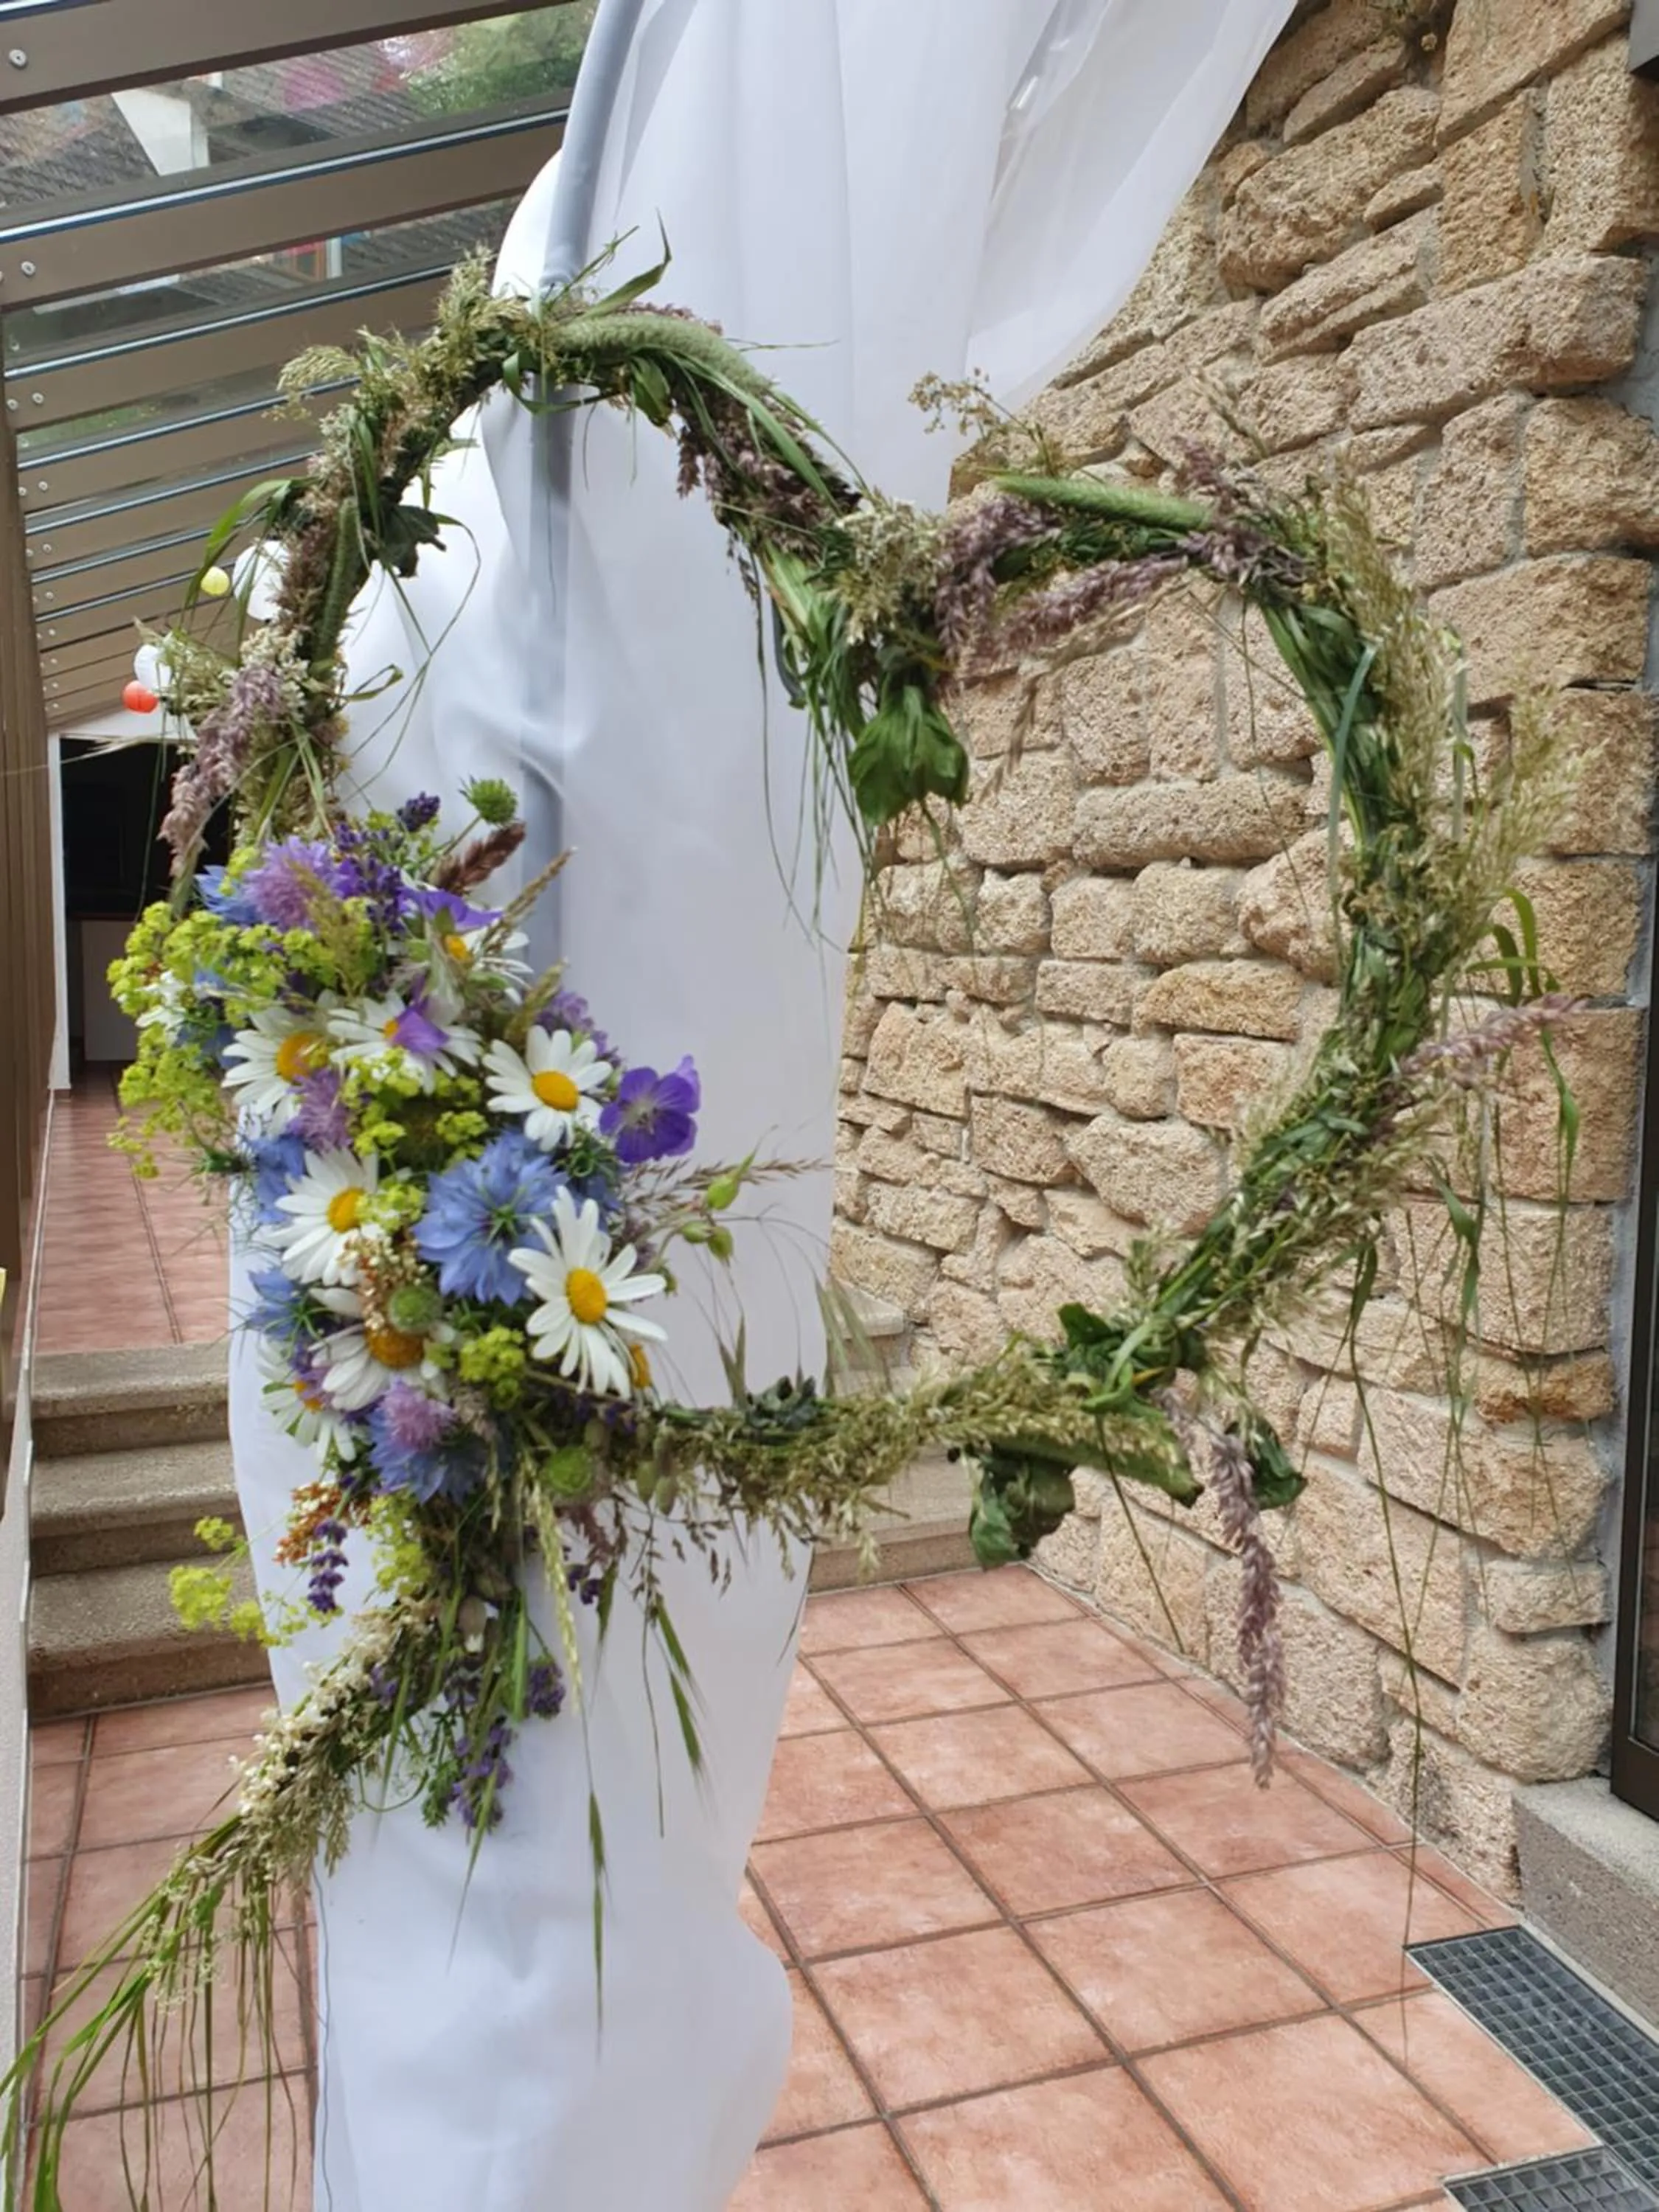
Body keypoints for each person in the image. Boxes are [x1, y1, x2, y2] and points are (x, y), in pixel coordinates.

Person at [223, 4, 1298, 2203]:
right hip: (507, 1241)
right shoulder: (598, 287)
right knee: (524, 1818)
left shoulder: (653, 210)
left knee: (551, 1807)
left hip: (542, 1226)